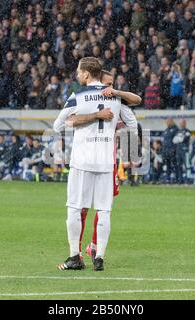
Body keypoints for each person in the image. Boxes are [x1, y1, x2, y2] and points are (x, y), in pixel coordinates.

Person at [53, 57, 137, 271]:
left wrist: (87, 117)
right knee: (104, 210)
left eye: (79, 72)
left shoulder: (78, 96)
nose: (77, 75)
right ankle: (99, 256)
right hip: (105, 162)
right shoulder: (114, 98)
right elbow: (132, 120)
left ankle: (74, 256)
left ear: (87, 74)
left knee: (74, 208)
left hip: (82, 161)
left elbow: (58, 125)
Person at [173, 119, 191, 184]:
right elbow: (174, 140)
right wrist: (179, 139)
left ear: (185, 123)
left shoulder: (187, 131)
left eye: (182, 123)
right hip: (178, 151)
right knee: (178, 166)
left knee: (187, 166)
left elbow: (184, 139)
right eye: (180, 123)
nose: (181, 124)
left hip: (185, 151)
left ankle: (188, 180)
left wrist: (179, 139)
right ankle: (180, 180)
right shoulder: (178, 131)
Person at [162, 117, 178, 184]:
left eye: (168, 121)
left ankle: (175, 179)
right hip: (166, 151)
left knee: (174, 166)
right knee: (167, 165)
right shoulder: (166, 130)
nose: (167, 123)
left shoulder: (175, 129)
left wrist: (173, 149)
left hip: (172, 151)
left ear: (171, 121)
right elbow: (164, 141)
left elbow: (176, 141)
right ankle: (167, 179)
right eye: (166, 122)